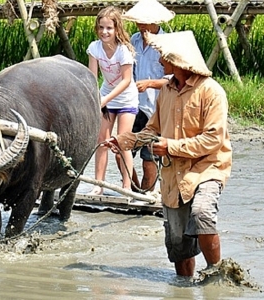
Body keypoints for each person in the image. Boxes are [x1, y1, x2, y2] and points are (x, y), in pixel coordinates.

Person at [103, 30, 232, 277]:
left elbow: (213, 139)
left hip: (207, 168)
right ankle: (183, 287)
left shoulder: (211, 91)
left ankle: (217, 274)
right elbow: (152, 130)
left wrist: (170, 147)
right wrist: (124, 141)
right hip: (174, 173)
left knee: (202, 213)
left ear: (178, 60)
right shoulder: (167, 91)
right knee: (177, 242)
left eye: (163, 57)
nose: (160, 61)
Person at [117, 0, 175, 193]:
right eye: (138, 21)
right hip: (134, 107)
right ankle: (133, 190)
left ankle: (146, 194)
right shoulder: (133, 40)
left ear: (155, 21)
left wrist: (150, 83)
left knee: (149, 160)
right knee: (120, 150)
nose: (140, 25)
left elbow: (174, 80)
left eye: (144, 21)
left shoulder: (167, 44)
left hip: (157, 109)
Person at [86, 6, 139, 195]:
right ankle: (98, 185)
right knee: (101, 141)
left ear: (117, 29)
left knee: (122, 141)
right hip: (106, 96)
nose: (104, 32)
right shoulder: (94, 48)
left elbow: (126, 81)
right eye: (101, 27)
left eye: (109, 28)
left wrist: (105, 99)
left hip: (126, 98)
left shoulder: (124, 51)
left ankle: (126, 186)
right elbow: (93, 77)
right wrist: (95, 98)